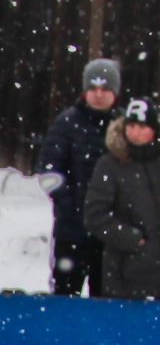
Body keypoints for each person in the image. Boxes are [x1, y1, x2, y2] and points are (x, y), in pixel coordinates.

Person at [42, 57, 121, 296]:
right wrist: (70, 207)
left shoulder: (123, 127)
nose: (99, 94)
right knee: (65, 300)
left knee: (105, 301)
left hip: (109, 236)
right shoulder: (66, 123)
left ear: (115, 92)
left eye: (105, 89)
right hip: (71, 232)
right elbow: (49, 172)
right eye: (93, 88)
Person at [83, 95, 160, 300]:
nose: (136, 132)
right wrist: (133, 239)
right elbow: (95, 215)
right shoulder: (109, 164)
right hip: (125, 275)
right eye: (132, 125)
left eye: (143, 127)